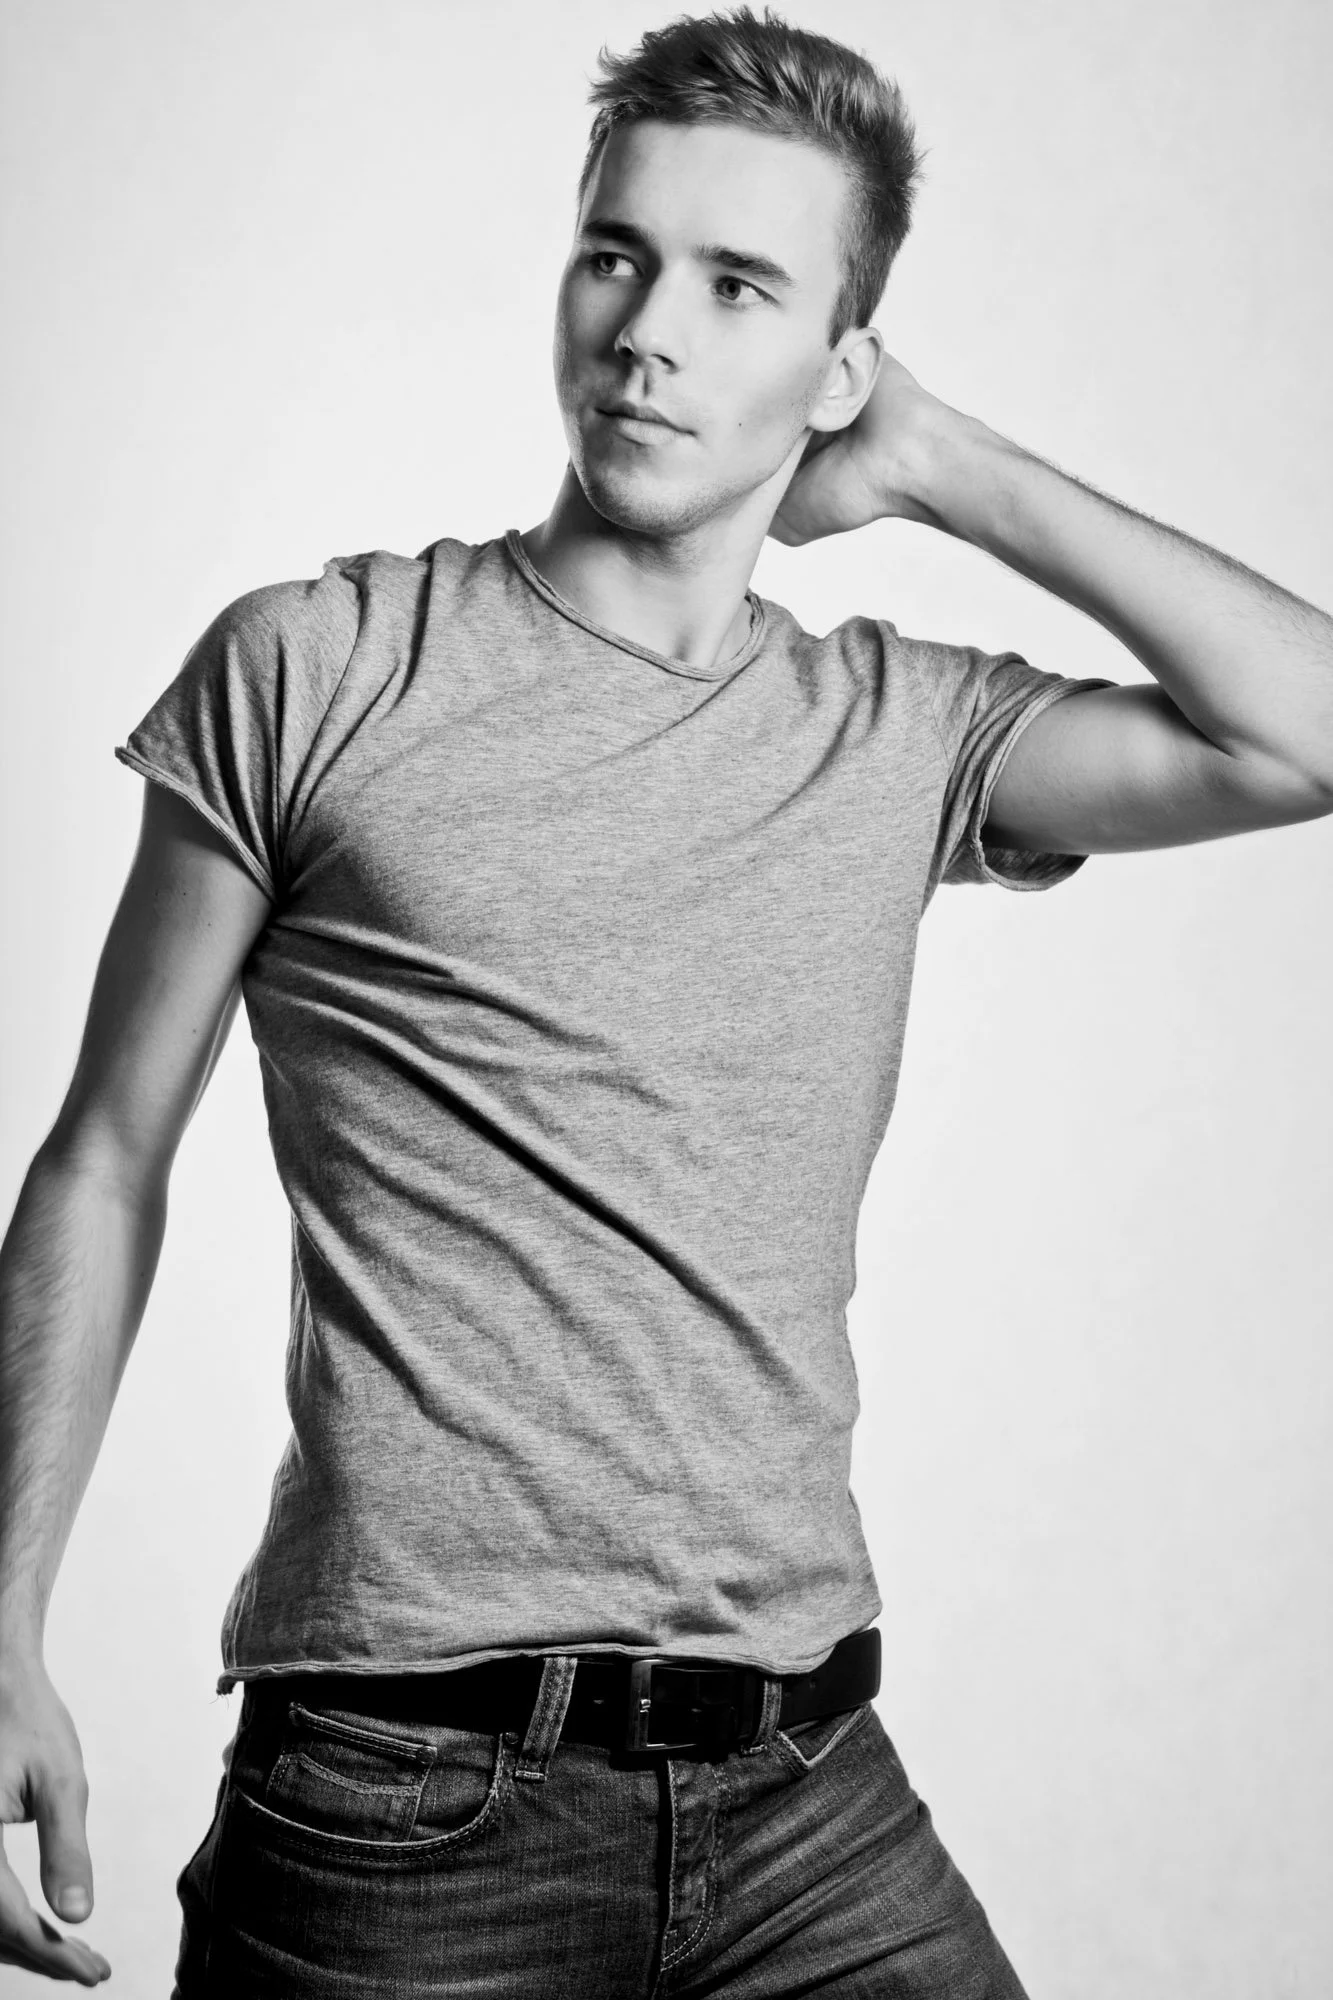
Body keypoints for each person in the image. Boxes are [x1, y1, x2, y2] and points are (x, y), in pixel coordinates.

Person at [2, 4, 1331, 1993]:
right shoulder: (317, 666)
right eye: (617, 253)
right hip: (401, 1800)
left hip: (808, 1789)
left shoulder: (895, 731)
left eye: (738, 286)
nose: (649, 330)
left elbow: (1302, 733)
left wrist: (943, 462)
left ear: (838, 359)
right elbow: (106, 1154)